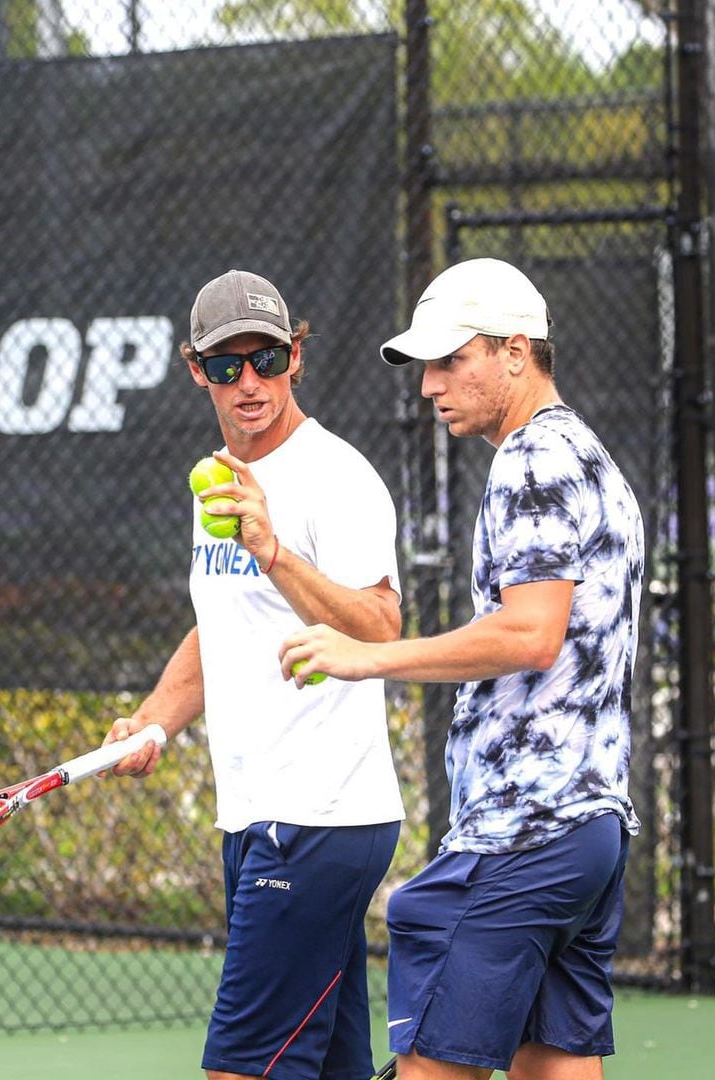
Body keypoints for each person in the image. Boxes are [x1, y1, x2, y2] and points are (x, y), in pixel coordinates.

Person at [279, 258, 645, 1080]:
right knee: (555, 1062)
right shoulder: (590, 457)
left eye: (451, 361)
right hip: (588, 834)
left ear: (516, 351)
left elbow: (529, 634)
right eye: (426, 366)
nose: (429, 386)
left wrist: (368, 656)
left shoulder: (532, 462)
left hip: (523, 837)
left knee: (432, 1064)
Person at [104, 268, 405, 1080]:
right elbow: (220, 626)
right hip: (257, 818)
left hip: (317, 820)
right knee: (334, 1065)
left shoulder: (334, 477)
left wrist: (275, 554)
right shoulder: (219, 481)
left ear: (295, 357)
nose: (250, 383)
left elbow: (381, 625)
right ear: (195, 368)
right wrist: (157, 720)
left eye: (267, 359)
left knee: (240, 1069)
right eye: (227, 364)